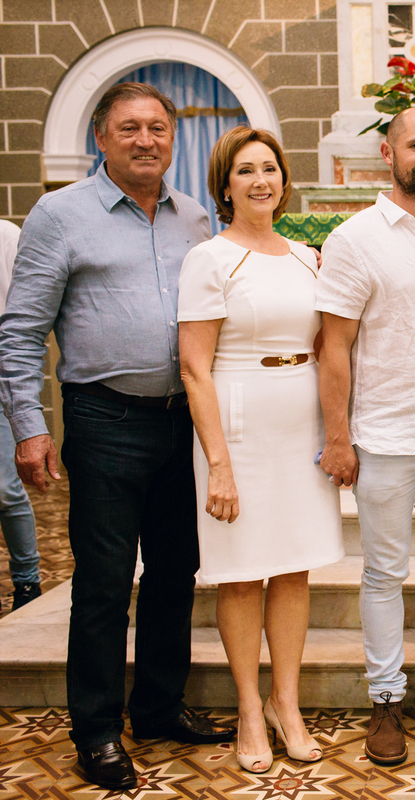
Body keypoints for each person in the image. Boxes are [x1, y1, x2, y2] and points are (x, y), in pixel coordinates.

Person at [0, 82, 234, 791]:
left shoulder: (194, 217)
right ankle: (97, 731)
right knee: (103, 585)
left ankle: (158, 707)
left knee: (174, 574)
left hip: (180, 422)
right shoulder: (60, 215)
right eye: (129, 128)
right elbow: (19, 331)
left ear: (172, 137)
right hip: (104, 420)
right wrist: (29, 426)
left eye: (158, 128)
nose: (145, 140)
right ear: (102, 138)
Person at [317, 106, 415, 766]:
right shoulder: (357, 238)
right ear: (389, 153)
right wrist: (338, 437)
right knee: (384, 572)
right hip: (382, 432)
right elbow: (334, 346)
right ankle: (385, 698)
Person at [177, 126, 343, 773]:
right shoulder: (211, 259)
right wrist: (218, 461)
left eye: (269, 168)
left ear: (283, 178)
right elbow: (194, 366)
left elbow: (331, 346)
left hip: (298, 422)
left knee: (294, 567)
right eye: (245, 171)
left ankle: (286, 702)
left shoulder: (306, 257)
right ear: (225, 184)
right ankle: (249, 707)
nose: (260, 181)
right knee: (243, 571)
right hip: (238, 425)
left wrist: (336, 430)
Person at [0, 219, 41, 612]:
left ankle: (27, 583)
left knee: (4, 488)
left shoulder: (6, 236)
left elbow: (23, 320)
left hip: (1, 376)